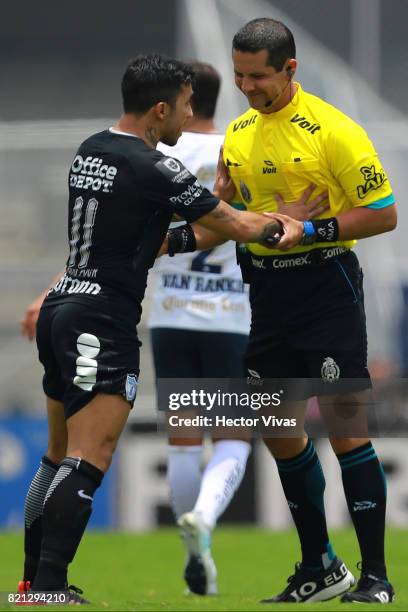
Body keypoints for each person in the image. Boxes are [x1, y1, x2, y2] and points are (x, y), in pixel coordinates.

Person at [17, 53, 300, 602]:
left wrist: (220, 209)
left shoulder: (92, 149)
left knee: (56, 456)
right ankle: (49, 585)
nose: (190, 116)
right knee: (89, 457)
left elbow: (171, 240)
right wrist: (289, 224)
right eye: (187, 106)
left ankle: (31, 582)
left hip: (64, 307)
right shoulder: (154, 167)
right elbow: (237, 226)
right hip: (104, 320)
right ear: (161, 109)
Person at [171, 18, 397, 604]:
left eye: (260, 76)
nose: (247, 87)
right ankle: (319, 567)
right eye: (240, 75)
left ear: (289, 69)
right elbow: (231, 221)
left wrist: (313, 227)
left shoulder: (334, 131)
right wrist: (198, 223)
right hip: (267, 295)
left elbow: (384, 212)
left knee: (346, 430)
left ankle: (374, 577)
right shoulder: (240, 133)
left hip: (326, 289)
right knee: (277, 430)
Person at [151, 61, 251, 596]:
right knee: (236, 437)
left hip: (169, 314)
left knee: (184, 443)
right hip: (232, 318)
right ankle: (205, 521)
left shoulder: (158, 156)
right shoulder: (237, 154)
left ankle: (195, 557)